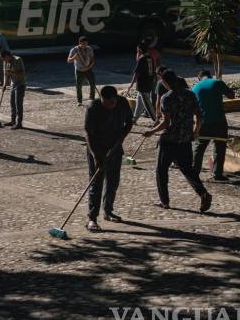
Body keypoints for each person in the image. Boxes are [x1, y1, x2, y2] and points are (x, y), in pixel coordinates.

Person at [144, 70, 213, 212]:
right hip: (185, 139)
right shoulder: (190, 94)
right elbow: (199, 116)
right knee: (188, 169)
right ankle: (203, 193)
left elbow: (166, 123)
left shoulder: (166, 98)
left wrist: (151, 132)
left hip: (169, 140)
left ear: (165, 82)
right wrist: (196, 131)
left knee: (161, 171)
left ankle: (165, 201)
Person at [83, 85, 133, 231]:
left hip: (115, 147)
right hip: (96, 147)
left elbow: (129, 122)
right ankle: (92, 218)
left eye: (111, 103)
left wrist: (121, 138)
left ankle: (108, 211)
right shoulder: (93, 107)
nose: (109, 106)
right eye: (106, 104)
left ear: (115, 99)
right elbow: (88, 133)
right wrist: (95, 155)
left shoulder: (123, 103)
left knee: (113, 181)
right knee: (96, 183)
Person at [191, 70, 235, 181]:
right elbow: (231, 96)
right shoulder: (217, 82)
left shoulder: (194, 88)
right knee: (219, 148)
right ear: (210, 76)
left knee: (199, 149)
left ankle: (194, 173)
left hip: (203, 122)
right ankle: (217, 174)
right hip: (219, 122)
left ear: (199, 78)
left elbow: (193, 108)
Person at [128, 43, 156, 124]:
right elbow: (152, 71)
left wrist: (132, 83)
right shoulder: (150, 57)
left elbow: (136, 73)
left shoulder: (141, 59)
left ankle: (155, 120)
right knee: (139, 102)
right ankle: (134, 119)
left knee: (147, 103)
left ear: (140, 50)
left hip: (142, 85)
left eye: (137, 49)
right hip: (148, 83)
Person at [68, 36, 96, 106]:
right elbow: (68, 60)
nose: (85, 45)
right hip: (79, 70)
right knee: (79, 86)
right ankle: (79, 101)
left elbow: (92, 59)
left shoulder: (89, 49)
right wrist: (74, 57)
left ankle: (92, 98)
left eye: (86, 44)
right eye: (83, 44)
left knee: (93, 83)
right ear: (79, 43)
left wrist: (90, 66)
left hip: (88, 69)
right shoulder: (74, 50)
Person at [1, 51, 26, 130]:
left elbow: (22, 73)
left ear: (8, 56)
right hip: (13, 84)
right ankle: (13, 120)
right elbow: (6, 74)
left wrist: (12, 72)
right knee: (12, 102)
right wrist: (4, 84)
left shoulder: (18, 59)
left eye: (5, 59)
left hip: (20, 84)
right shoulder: (6, 62)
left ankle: (19, 123)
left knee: (18, 103)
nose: (5, 61)